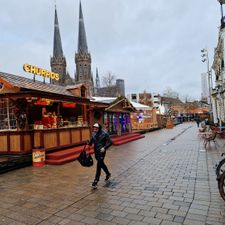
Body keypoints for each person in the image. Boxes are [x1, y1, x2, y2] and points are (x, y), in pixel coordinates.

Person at [88, 123, 112, 188]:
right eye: (94, 128)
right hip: (96, 152)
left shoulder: (105, 134)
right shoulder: (94, 134)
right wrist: (89, 142)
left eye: (96, 128)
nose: (94, 129)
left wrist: (104, 148)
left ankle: (96, 181)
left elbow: (110, 142)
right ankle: (108, 174)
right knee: (101, 164)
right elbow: (90, 143)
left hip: (102, 152)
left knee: (98, 166)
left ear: (99, 128)